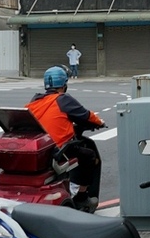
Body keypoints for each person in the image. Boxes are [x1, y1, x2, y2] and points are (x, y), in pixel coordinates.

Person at [27, 65, 104, 210]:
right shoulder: (63, 99)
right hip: (58, 150)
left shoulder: (35, 100)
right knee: (88, 155)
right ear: (64, 84)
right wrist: (100, 122)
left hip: (41, 148)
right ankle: (82, 197)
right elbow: (86, 115)